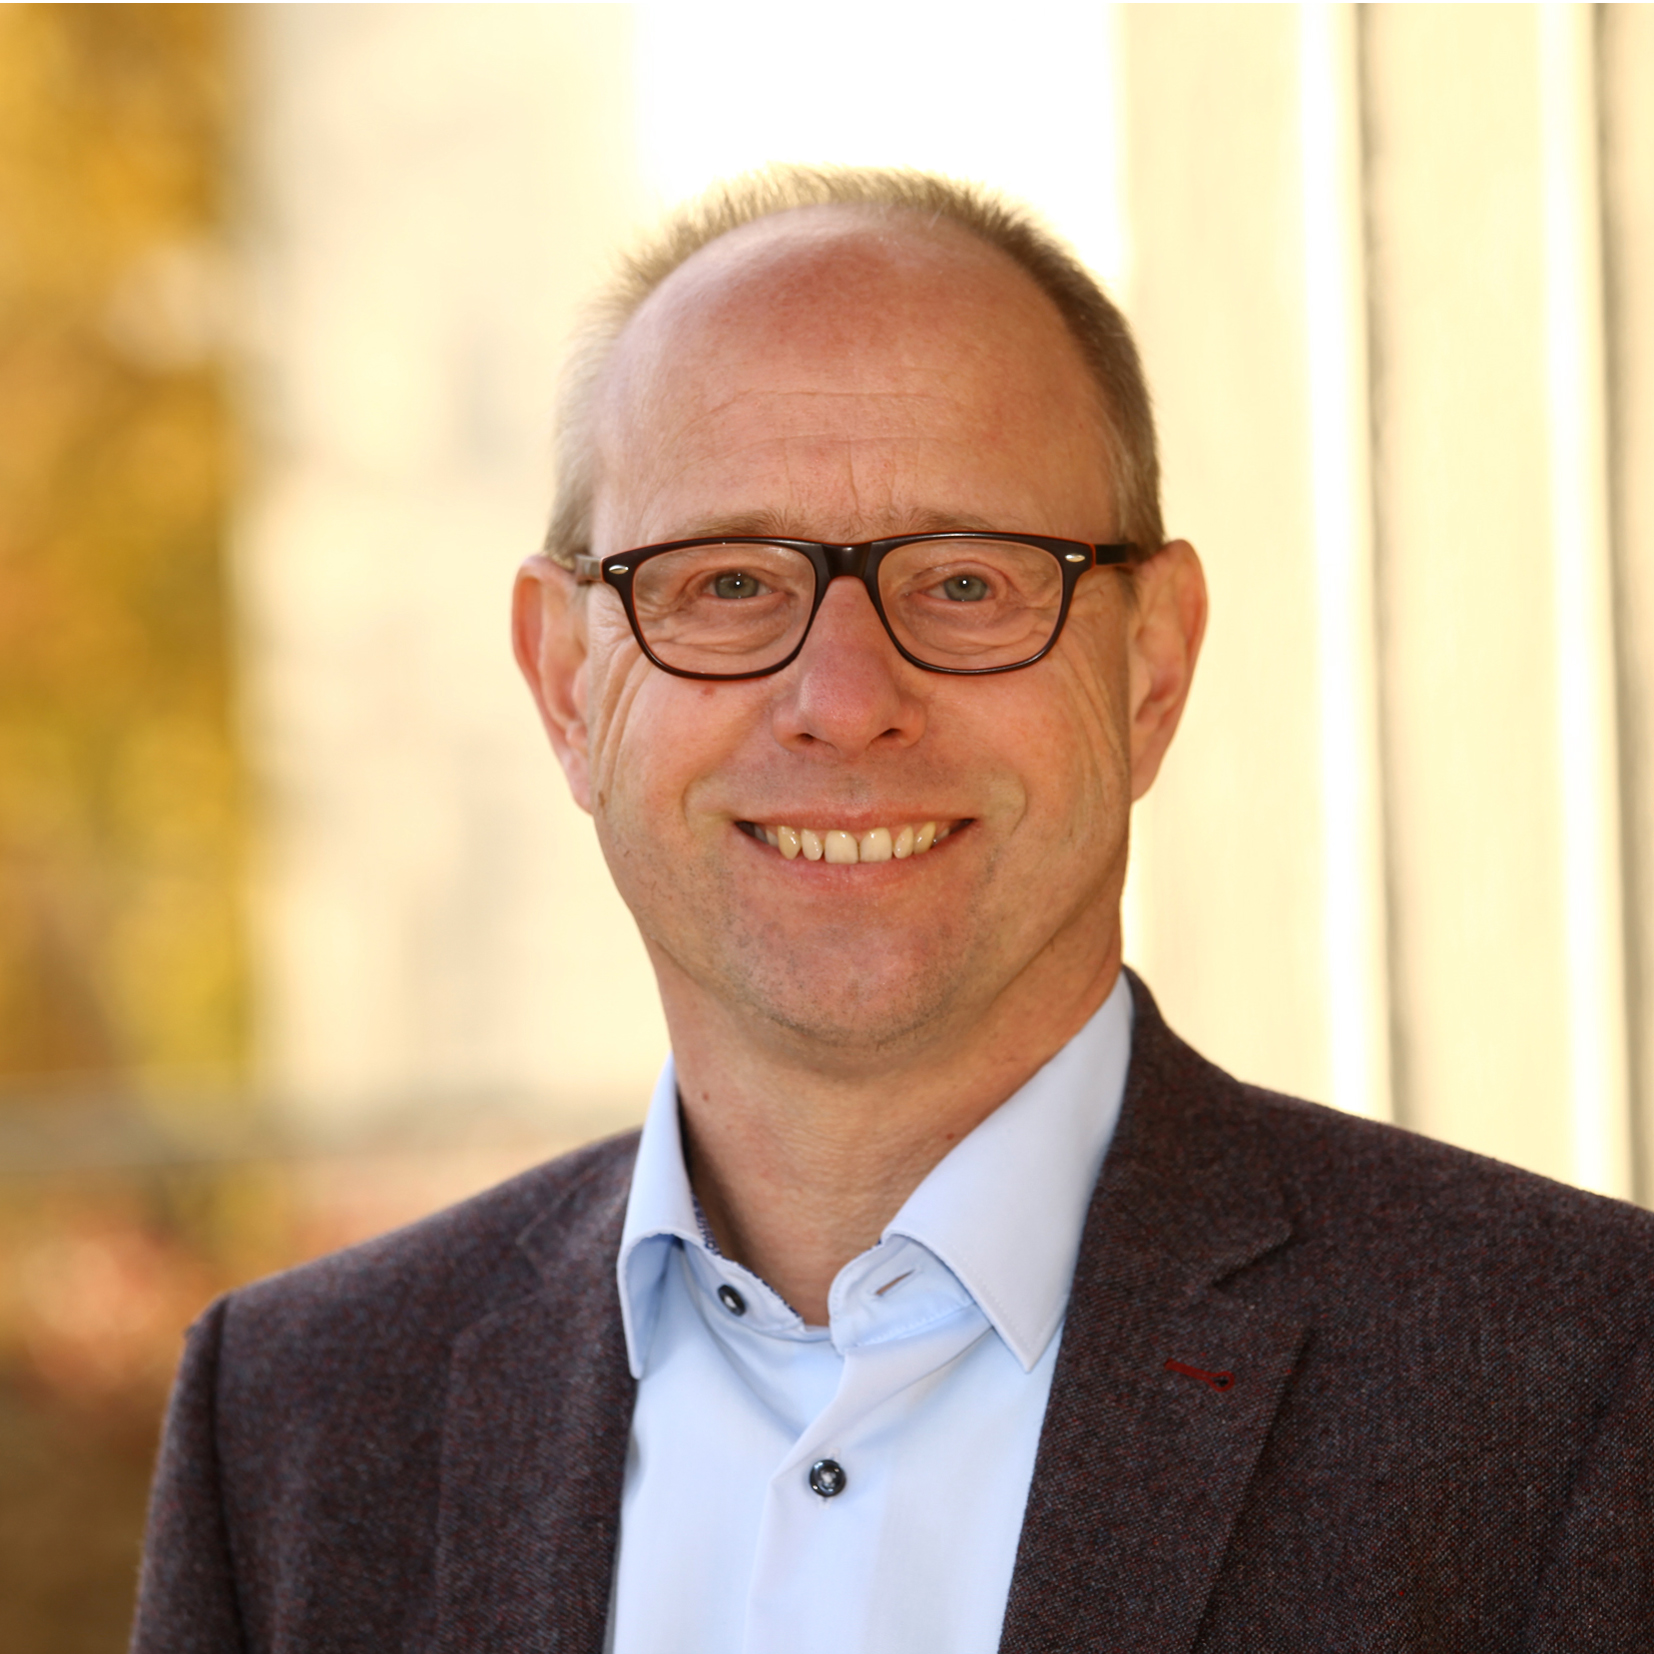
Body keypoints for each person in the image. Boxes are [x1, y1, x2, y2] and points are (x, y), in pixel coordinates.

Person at [132, 169, 1654, 1653]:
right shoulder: (295, 1424)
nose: (845, 697)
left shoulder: (1578, 1382)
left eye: (968, 582)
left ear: (1152, 667)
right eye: (726, 583)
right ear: (568, 680)